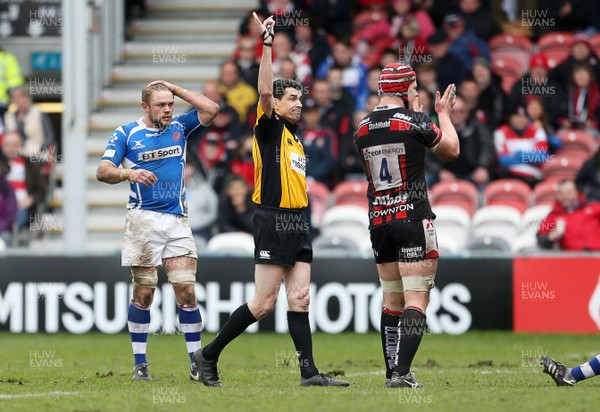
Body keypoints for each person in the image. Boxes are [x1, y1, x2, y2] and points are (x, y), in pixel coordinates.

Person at [193, 13, 349, 388]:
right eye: (291, 98)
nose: (298, 104)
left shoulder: (295, 138)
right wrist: (266, 46)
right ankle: (207, 355)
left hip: (298, 221)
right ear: (275, 104)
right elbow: (264, 90)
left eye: (300, 98)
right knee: (264, 304)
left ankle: (309, 373)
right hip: (272, 218)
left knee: (301, 299)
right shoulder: (269, 128)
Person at [96, 80, 220, 381]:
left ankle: (196, 362)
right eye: (161, 105)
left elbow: (212, 108)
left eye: (170, 104)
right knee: (144, 293)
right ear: (145, 107)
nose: (168, 110)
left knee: (187, 291)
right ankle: (140, 364)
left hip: (177, 221)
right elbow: (102, 171)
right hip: (143, 221)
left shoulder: (180, 127)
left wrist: (176, 90)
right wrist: (129, 172)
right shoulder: (127, 133)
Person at [354, 63, 459, 388]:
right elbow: (451, 150)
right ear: (404, 90)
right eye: (414, 88)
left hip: (379, 221)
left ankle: (392, 370)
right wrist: (442, 113)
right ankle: (402, 373)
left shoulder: (361, 127)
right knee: (417, 299)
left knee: (391, 300)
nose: (417, 93)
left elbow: (390, 134)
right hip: (412, 218)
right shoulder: (416, 121)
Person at [537, 179, 600, 251]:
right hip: (571, 258)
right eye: (562, 194)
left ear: (576, 192)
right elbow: (540, 238)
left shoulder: (593, 208)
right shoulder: (554, 215)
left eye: (569, 193)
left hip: (597, 255)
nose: (565, 197)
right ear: (557, 195)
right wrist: (552, 236)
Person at [0, 46, 25, 119]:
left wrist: (10, 91)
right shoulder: (7, 58)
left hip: (2, 103)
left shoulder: (7, 58)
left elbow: (16, 79)